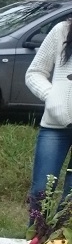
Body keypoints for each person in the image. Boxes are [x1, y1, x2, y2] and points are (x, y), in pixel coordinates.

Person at [24, 17, 72, 218]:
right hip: (55, 126)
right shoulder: (62, 30)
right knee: (41, 191)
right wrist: (52, 97)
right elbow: (34, 73)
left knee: (70, 200)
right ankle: (34, 243)